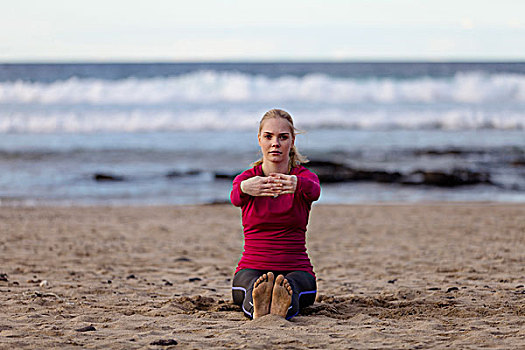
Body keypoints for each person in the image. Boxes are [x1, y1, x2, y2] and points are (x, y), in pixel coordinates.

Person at [230, 109, 320, 320]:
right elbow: (234, 197)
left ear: (292, 141)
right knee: (253, 286)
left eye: (283, 137)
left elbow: (315, 191)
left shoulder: (303, 178)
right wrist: (244, 188)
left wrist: (298, 184)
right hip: (251, 268)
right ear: (259, 139)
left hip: (297, 269)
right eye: (268, 136)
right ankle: (260, 302)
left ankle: (281, 300)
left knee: (293, 286)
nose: (275, 143)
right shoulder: (247, 180)